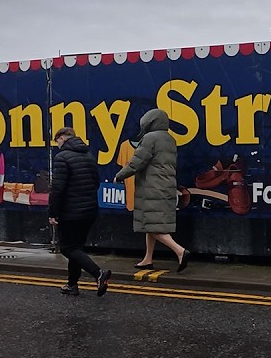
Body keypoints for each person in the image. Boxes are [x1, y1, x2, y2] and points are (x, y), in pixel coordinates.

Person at [113, 107, 191, 272]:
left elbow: (137, 162)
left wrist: (120, 175)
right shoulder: (169, 138)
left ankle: (180, 251)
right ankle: (147, 259)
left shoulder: (150, 138)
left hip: (152, 188)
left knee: (151, 225)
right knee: (151, 223)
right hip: (165, 186)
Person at [48, 126, 112, 296]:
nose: (57, 145)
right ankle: (72, 285)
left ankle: (98, 274)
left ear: (62, 138)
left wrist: (52, 213)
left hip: (71, 212)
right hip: (89, 210)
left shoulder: (62, 157)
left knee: (67, 248)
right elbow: (96, 182)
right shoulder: (88, 156)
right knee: (76, 247)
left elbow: (57, 189)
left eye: (57, 141)